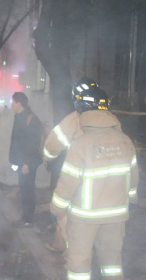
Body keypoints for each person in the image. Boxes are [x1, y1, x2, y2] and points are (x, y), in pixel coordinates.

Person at [50, 85, 138, 280]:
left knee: (79, 261)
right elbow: (133, 177)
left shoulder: (81, 143)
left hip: (85, 216)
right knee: (112, 261)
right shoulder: (125, 140)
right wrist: (130, 201)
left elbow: (68, 182)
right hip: (117, 215)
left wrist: (57, 208)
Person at [43, 78, 122, 252]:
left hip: (81, 187)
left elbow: (50, 148)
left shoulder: (73, 119)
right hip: (111, 192)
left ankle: (69, 253)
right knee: (109, 253)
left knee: (69, 224)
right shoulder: (114, 120)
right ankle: (61, 244)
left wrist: (49, 158)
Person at [9, 91, 44, 227]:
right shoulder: (20, 117)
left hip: (28, 163)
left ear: (19, 103)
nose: (11, 105)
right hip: (22, 161)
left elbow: (32, 144)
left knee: (28, 190)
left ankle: (27, 220)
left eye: (13, 102)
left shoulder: (30, 119)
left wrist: (26, 164)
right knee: (24, 189)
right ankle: (26, 217)